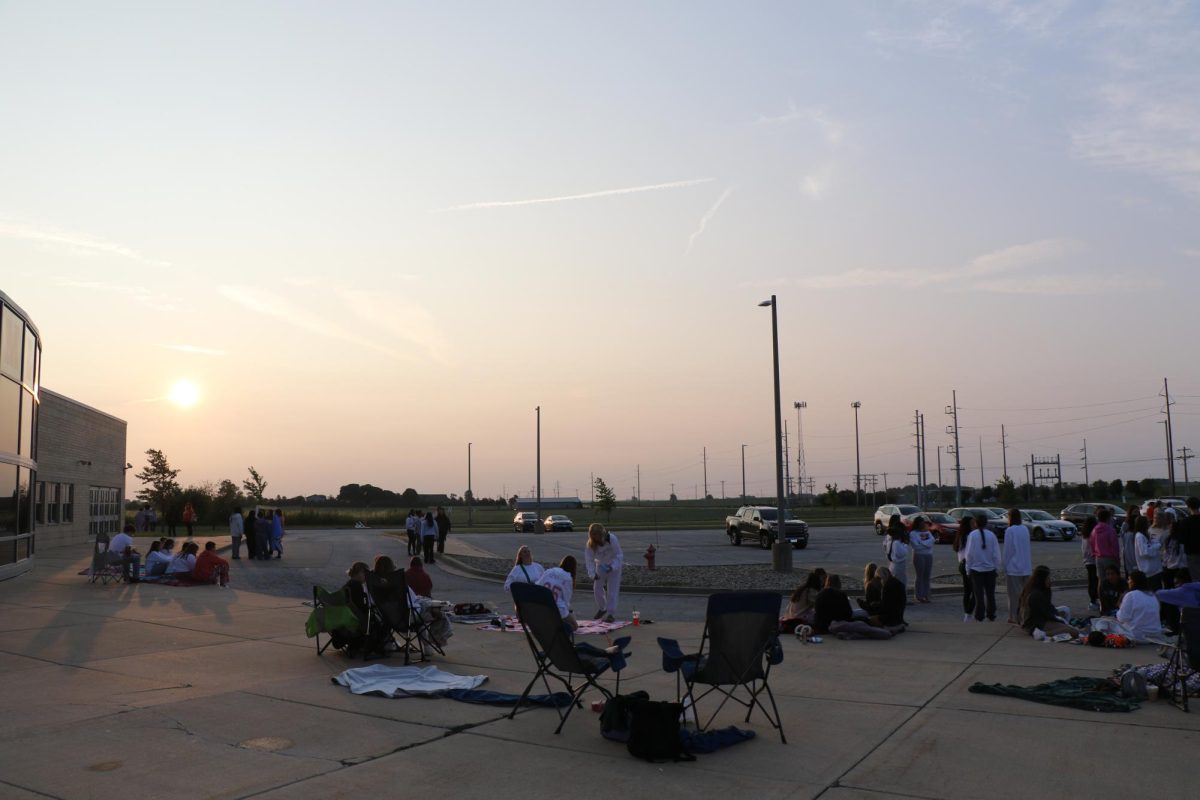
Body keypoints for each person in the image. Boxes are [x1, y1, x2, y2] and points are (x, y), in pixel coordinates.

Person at [813, 575, 904, 640]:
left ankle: (880, 628)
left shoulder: (821, 594)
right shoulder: (840, 595)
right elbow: (848, 614)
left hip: (823, 624)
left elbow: (817, 611)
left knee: (861, 621)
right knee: (862, 623)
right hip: (837, 622)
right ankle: (885, 630)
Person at [1019, 566, 1079, 640]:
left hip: (1033, 621)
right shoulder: (1036, 595)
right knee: (1074, 631)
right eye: (1048, 578)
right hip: (1035, 624)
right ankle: (1043, 634)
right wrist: (1060, 621)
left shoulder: (1032, 588)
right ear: (1041, 579)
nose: (1050, 580)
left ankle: (1055, 630)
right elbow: (1045, 614)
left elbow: (1047, 608)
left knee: (1065, 610)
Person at [964, 513, 1000, 622]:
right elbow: (996, 554)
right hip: (990, 569)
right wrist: (996, 567)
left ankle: (979, 615)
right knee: (990, 594)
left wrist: (967, 568)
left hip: (976, 569)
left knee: (978, 594)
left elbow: (969, 554)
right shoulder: (992, 535)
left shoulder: (972, 535)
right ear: (986, 523)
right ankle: (991, 614)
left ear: (975, 523)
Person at [584, 523, 623, 622]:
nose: (597, 539)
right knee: (597, 588)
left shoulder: (612, 539)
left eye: (598, 536)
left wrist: (613, 567)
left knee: (612, 590)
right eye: (595, 537)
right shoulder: (591, 544)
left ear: (602, 533)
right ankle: (602, 608)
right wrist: (592, 574)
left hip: (613, 565)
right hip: (601, 565)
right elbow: (589, 559)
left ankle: (611, 613)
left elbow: (619, 555)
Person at [1111, 570, 1162, 642]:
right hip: (1155, 634)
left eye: (1129, 579)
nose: (1128, 582)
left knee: (1104, 623)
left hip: (1137, 635)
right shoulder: (1152, 595)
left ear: (1134, 582)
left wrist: (1120, 607)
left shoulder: (1131, 595)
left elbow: (1122, 618)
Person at [1002, 508, 1032, 625]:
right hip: (1026, 566)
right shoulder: (1025, 529)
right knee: (1026, 595)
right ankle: (1025, 615)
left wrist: (1004, 565)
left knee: (1014, 595)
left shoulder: (1010, 530)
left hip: (1014, 568)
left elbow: (1008, 550)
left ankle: (1013, 617)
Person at [536, 555, 579, 631]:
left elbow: (538, 585)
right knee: (574, 626)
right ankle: (557, 628)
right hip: (557, 609)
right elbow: (566, 599)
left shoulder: (550, 571)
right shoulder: (568, 578)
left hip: (542, 606)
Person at [953, 515, 976, 622]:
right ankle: (968, 612)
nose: (974, 525)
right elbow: (969, 552)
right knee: (974, 590)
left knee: (968, 591)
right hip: (967, 564)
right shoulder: (968, 536)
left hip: (963, 563)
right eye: (972, 523)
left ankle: (967, 613)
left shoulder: (961, 535)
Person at [1091, 507, 1120, 588]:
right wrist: (1117, 559)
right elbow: (1114, 546)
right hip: (1110, 558)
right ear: (1108, 518)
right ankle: (1112, 597)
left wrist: (1095, 554)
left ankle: (1102, 598)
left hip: (1098, 558)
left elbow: (1092, 544)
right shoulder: (1110, 530)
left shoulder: (1094, 530)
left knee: (1101, 580)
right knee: (1112, 580)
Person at [909, 517, 935, 603]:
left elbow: (932, 541)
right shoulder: (913, 533)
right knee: (920, 576)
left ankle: (926, 595)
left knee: (927, 576)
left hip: (928, 555)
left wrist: (922, 543)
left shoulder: (927, 532)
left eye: (924, 523)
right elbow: (916, 546)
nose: (923, 524)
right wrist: (926, 544)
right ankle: (919, 596)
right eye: (921, 523)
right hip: (919, 556)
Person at [1134, 516, 1162, 590]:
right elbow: (1145, 552)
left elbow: (1151, 544)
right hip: (1149, 572)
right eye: (1147, 521)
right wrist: (1157, 546)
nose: (1149, 522)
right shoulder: (1139, 536)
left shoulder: (1145, 534)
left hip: (1154, 570)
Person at [883, 514, 910, 590]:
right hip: (898, 564)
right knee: (901, 583)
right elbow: (902, 553)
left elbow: (885, 546)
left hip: (893, 562)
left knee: (896, 582)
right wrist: (905, 544)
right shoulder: (896, 541)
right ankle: (901, 600)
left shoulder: (891, 537)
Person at [1178, 496, 1200, 581]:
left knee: (1196, 577)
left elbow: (1182, 539)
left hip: (1192, 553)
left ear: (1188, 506)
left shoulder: (1186, 522)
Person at [1079, 515, 1099, 610]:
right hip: (1094, 560)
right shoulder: (1093, 534)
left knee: (1091, 581)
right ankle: (1095, 600)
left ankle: (1092, 600)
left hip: (1087, 561)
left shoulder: (1084, 535)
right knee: (1095, 581)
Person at [1119, 505, 1142, 578]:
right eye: (1134, 512)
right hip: (1129, 550)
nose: (1136, 513)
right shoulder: (1126, 523)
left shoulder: (1140, 522)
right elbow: (1122, 535)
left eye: (1137, 511)